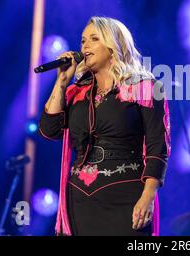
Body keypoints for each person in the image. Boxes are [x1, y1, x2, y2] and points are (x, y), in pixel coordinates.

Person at [39, 17, 170, 236]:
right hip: (80, 199)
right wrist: (62, 82)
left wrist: (148, 196)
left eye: (93, 39)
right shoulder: (76, 93)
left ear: (113, 46)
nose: (84, 46)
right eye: (82, 41)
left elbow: (159, 146)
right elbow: (49, 130)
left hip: (126, 197)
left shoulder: (145, 88)